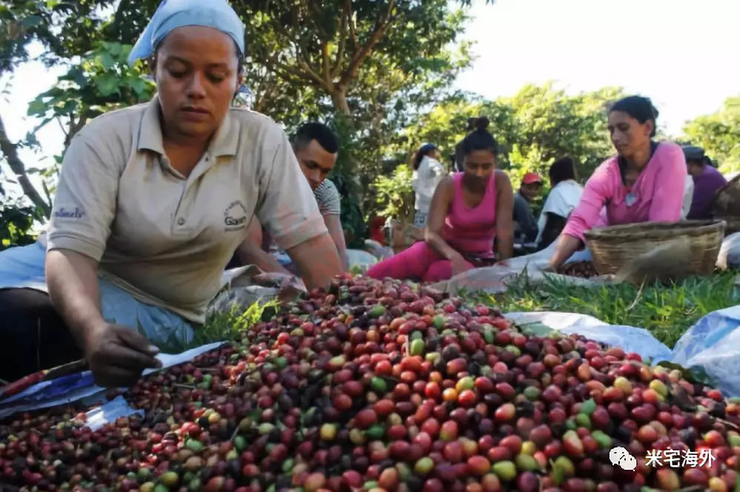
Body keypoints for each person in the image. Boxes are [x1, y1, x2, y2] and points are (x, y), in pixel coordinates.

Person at [0, 0, 343, 387]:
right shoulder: (104, 140)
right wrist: (92, 330)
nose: (196, 90)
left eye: (216, 77)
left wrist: (353, 323)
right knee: (14, 318)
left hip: (166, 309)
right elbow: (69, 253)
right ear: (154, 70)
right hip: (73, 280)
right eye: (178, 72)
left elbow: (311, 243)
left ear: (238, 79)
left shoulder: (261, 142)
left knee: (32, 332)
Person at [547, 96, 687, 270]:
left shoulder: (669, 156)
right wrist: (552, 266)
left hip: (654, 248)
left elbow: (662, 225)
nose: (615, 137)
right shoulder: (607, 172)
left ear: (647, 128)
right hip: (615, 249)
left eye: (623, 128)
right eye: (611, 130)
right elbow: (580, 221)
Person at [366, 117, 514, 282]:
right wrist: (453, 255)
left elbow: (504, 233)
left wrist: (503, 268)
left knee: (439, 275)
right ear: (462, 162)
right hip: (437, 250)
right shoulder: (449, 185)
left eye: (486, 167)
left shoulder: (501, 182)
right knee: (371, 277)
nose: (479, 173)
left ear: (495, 163)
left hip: (475, 261)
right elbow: (431, 233)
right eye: (472, 166)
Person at [230, 122, 350, 272]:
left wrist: (344, 287)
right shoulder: (260, 180)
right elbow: (250, 251)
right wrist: (297, 288)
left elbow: (339, 253)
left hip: (289, 265)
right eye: (310, 165)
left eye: (325, 171)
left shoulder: (325, 191)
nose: (317, 177)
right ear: (290, 153)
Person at [535, 158, 583, 248]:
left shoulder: (557, 192)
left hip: (565, 245)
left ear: (552, 177)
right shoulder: (582, 190)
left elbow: (550, 228)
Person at [683, 145, 727, 220]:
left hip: (722, 219)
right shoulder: (703, 172)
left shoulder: (707, 177)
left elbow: (697, 210)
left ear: (691, 164)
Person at [411, 143, 447, 228]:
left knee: (421, 234)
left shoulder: (418, 168)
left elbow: (414, 185)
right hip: (432, 205)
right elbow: (439, 171)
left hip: (421, 207)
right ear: (431, 152)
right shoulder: (431, 162)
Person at [513, 172, 543, 245]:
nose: (532, 191)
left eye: (536, 188)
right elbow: (531, 228)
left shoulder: (520, 199)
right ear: (522, 186)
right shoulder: (519, 201)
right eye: (529, 188)